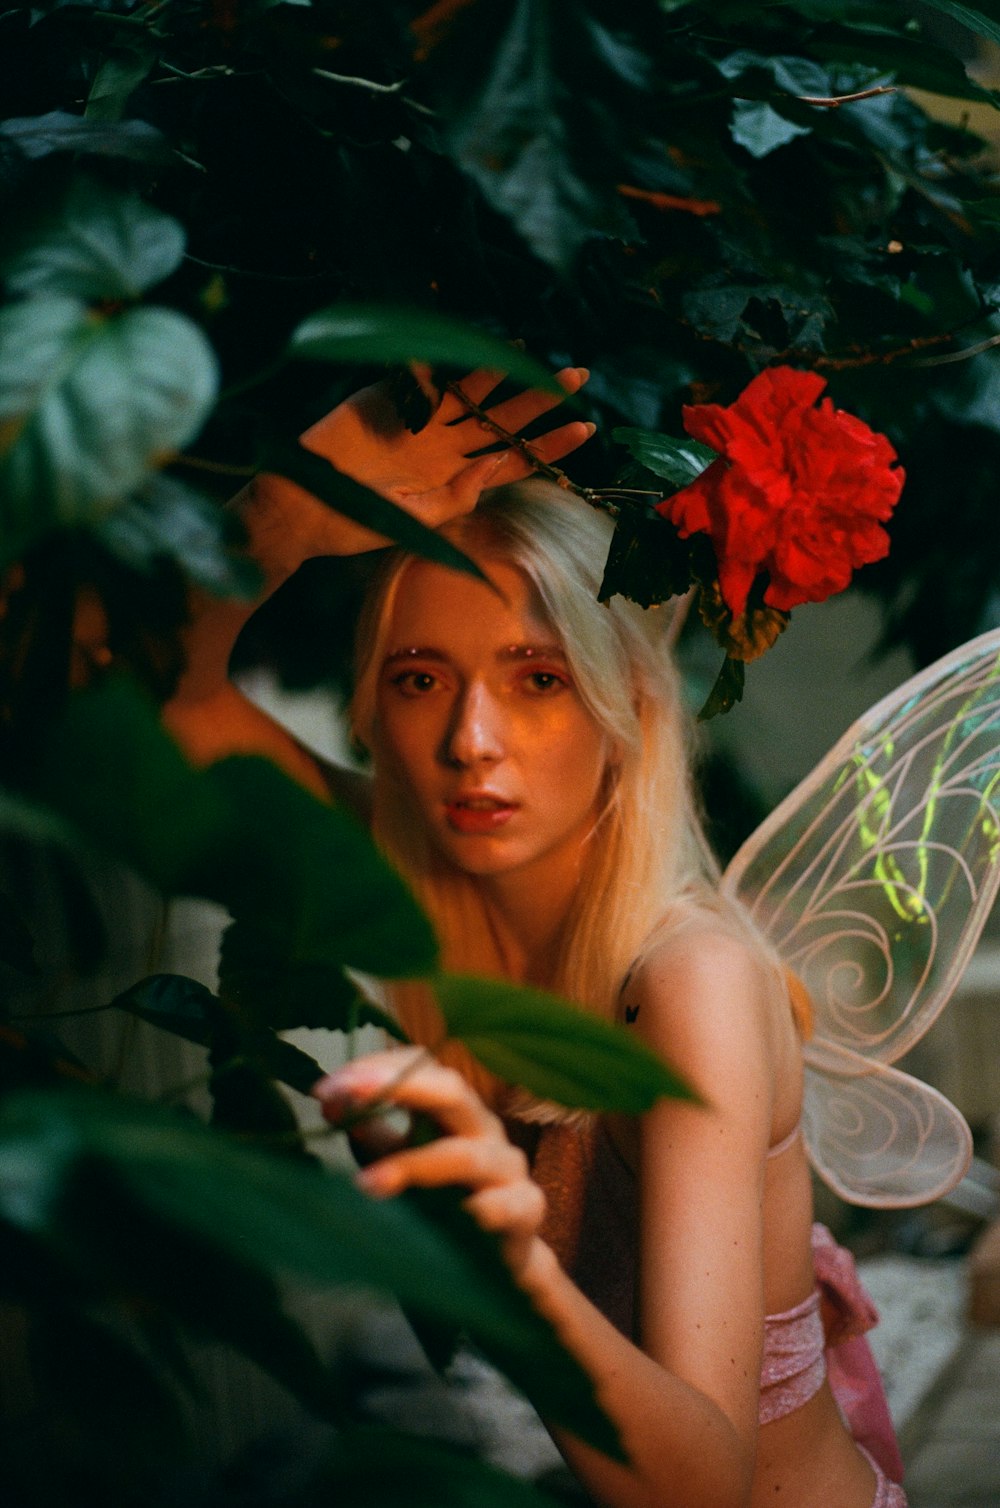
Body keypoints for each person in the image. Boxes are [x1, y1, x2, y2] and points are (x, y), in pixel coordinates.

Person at [164, 365, 906, 1508]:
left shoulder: (687, 980)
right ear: (373, 706)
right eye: (422, 677)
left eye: (538, 678)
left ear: (627, 712)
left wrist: (499, 1264)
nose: (471, 740)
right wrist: (287, 517)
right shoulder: (416, 886)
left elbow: (702, 1488)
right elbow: (166, 696)